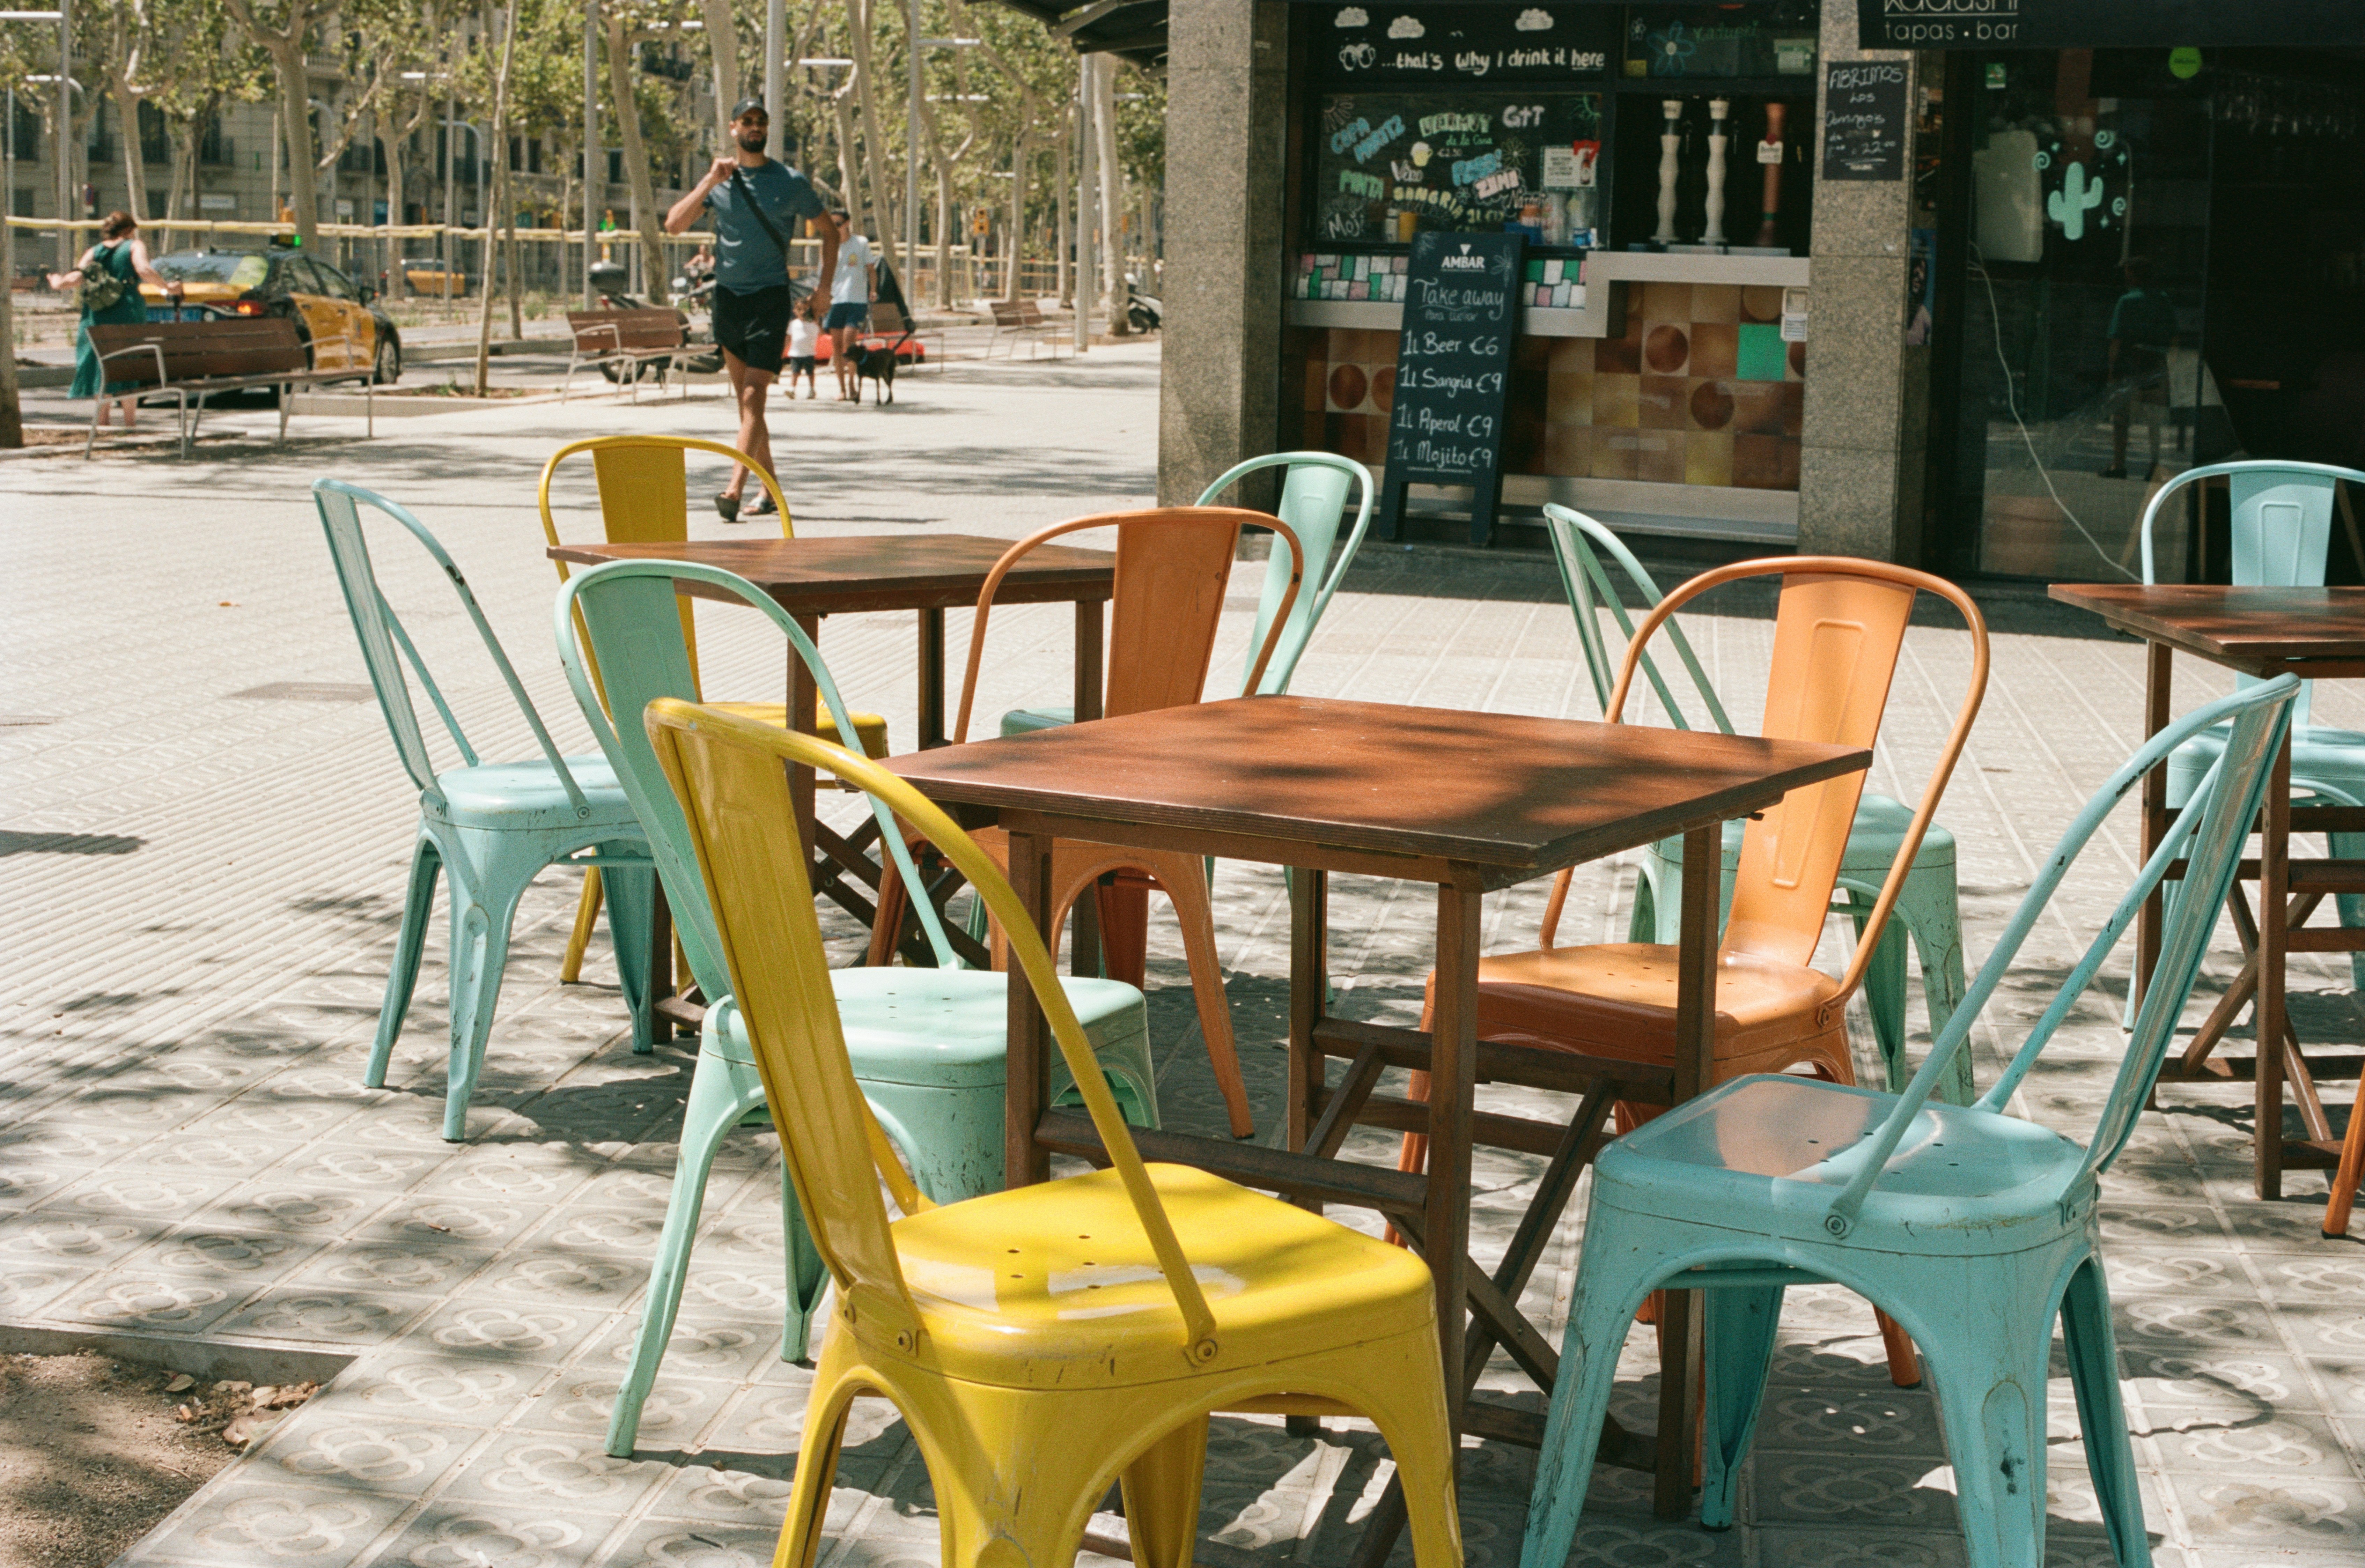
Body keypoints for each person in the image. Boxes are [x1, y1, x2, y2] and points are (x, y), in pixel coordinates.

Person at [663, 97, 837, 520]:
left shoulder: (791, 181)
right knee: (748, 408)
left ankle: (733, 490)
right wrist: (708, 180)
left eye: (761, 121)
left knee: (753, 396)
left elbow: (831, 234)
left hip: (770, 298)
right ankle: (771, 491)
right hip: (729, 300)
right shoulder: (720, 182)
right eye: (747, 121)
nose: (755, 127)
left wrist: (824, 290)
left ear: (767, 128)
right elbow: (673, 225)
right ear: (734, 128)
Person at [48, 211, 182, 430]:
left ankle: (104, 422)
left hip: (96, 313)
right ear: (129, 230)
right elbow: (144, 270)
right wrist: (168, 288)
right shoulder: (134, 246)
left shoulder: (93, 251)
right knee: (129, 362)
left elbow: (76, 278)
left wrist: (57, 282)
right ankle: (130, 423)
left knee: (100, 363)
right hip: (127, 310)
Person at [2104, 257, 2179, 480]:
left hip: (2130, 362)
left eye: (2129, 273)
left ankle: (2119, 465)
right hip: (2156, 362)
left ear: (2134, 275)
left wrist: (2111, 370)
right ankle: (2155, 465)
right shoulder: (2163, 300)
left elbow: (2116, 339)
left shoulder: (2126, 302)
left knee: (2122, 417)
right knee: (2154, 419)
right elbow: (2175, 336)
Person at [824, 209, 877, 402]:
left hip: (856, 300)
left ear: (847, 223)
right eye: (832, 225)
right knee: (837, 347)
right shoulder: (829, 245)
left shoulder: (861, 243)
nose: (835, 228)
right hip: (835, 301)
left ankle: (853, 385)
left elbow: (871, 270)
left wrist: (873, 290)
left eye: (838, 224)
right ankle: (842, 389)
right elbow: (824, 274)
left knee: (849, 343)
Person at [785, 294, 821, 400]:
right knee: (795, 372)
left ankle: (812, 389)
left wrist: (817, 323)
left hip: (809, 353)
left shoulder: (813, 324)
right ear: (795, 311)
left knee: (810, 373)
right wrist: (784, 350)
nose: (803, 312)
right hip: (796, 353)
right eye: (800, 309)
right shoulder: (793, 324)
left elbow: (821, 334)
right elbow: (789, 338)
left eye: (805, 309)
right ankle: (792, 390)